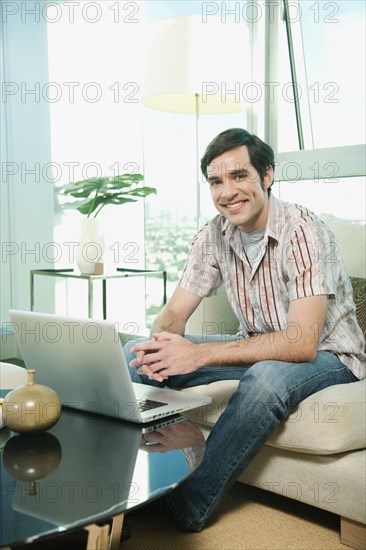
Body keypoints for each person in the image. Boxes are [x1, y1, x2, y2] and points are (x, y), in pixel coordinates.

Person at [124, 128, 365, 532]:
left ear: (266, 176)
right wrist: (160, 345)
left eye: (239, 176)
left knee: (265, 379)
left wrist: (196, 354)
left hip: (329, 354)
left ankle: (189, 504)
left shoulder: (304, 232)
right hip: (253, 345)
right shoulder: (214, 234)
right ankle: (141, 484)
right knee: (134, 353)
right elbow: (173, 315)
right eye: (216, 181)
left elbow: (301, 342)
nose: (227, 192)